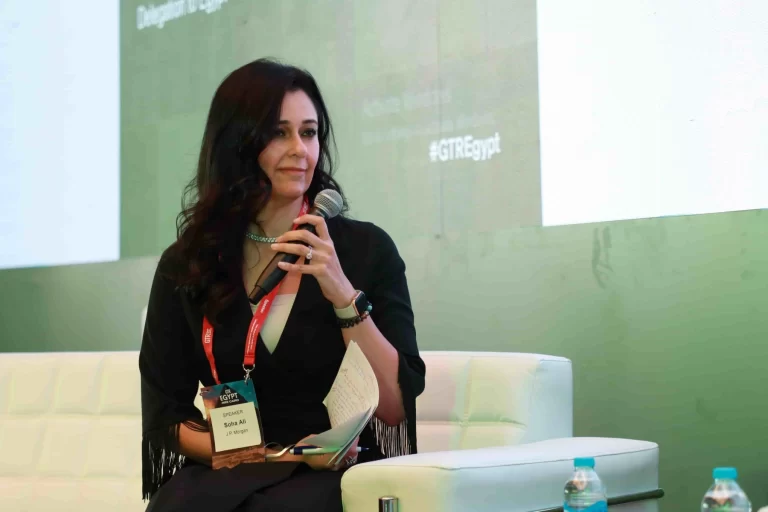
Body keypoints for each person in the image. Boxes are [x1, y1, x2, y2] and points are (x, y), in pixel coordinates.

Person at [139, 58, 425, 512]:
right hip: (234, 465)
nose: (300, 150)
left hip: (337, 474)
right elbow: (165, 416)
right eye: (279, 133)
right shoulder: (189, 263)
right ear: (237, 143)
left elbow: (394, 408)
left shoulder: (366, 250)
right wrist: (275, 456)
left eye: (309, 133)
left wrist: (342, 293)